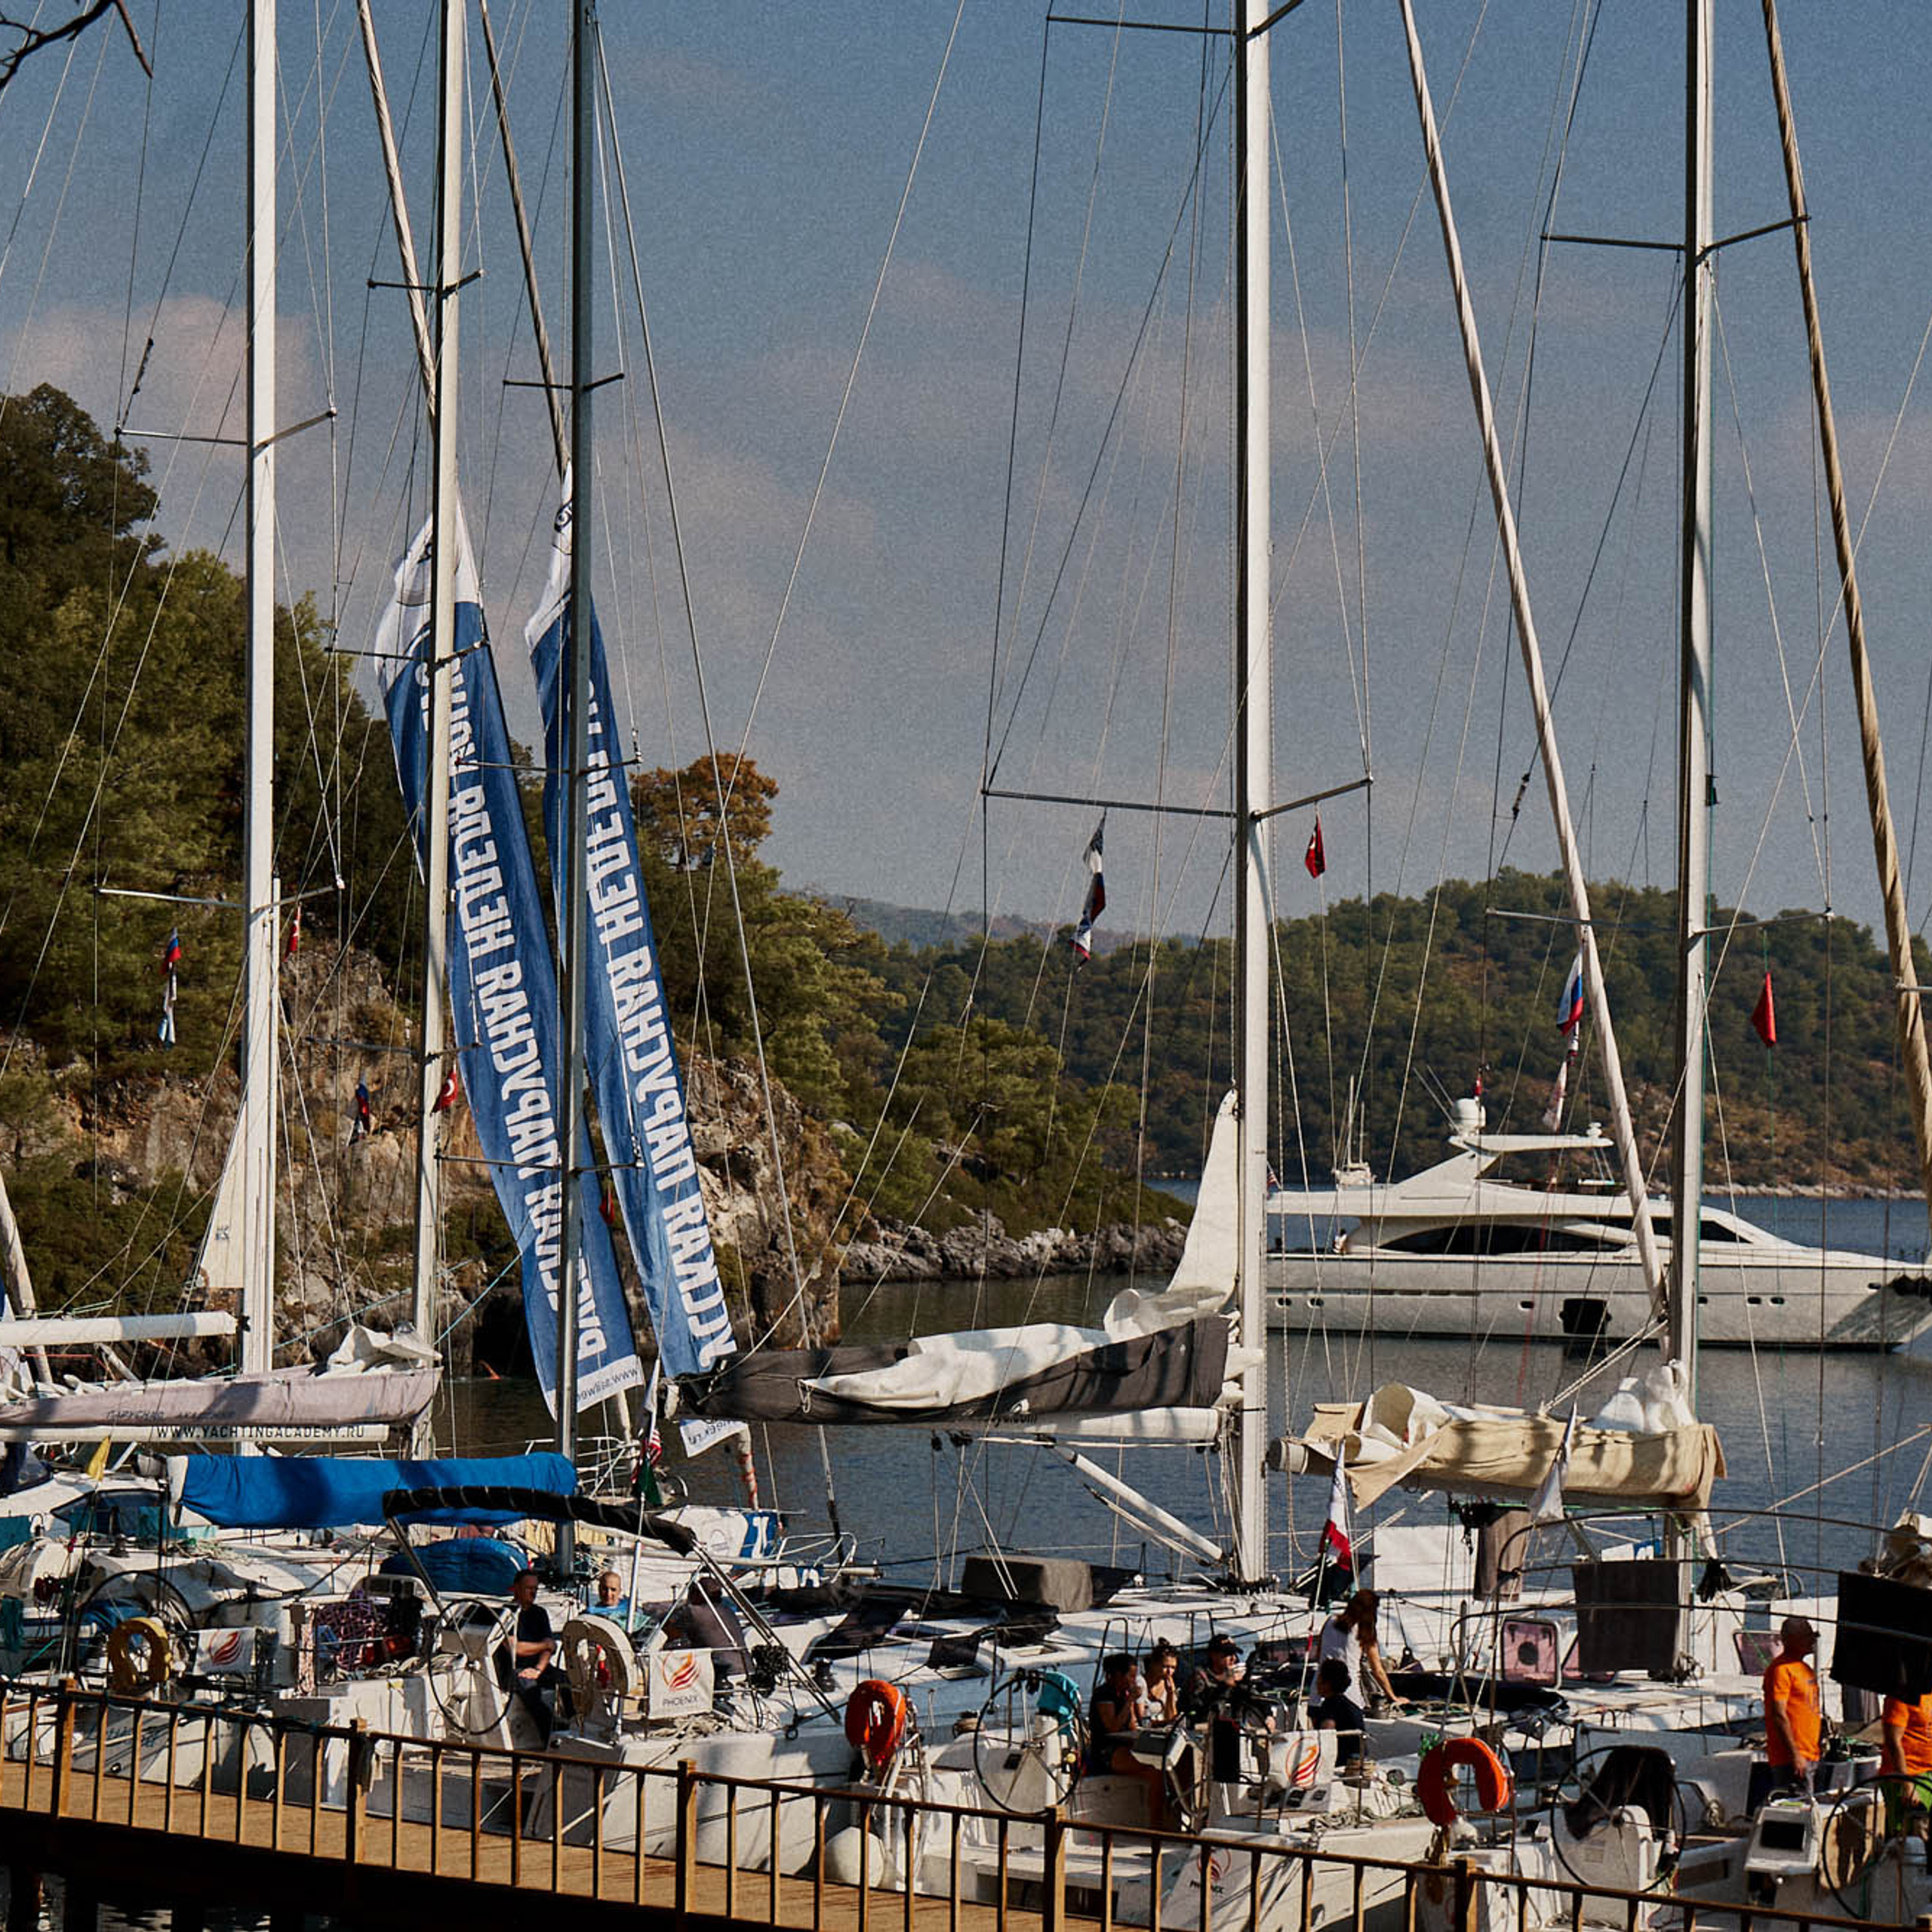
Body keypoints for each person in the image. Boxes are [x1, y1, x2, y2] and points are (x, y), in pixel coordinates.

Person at [498, 1568, 574, 1746]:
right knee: (532, 1692)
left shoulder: (540, 1613)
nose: (533, 1592)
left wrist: (539, 1669)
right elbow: (515, 1648)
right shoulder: (505, 1613)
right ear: (516, 1589)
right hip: (514, 1670)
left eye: (535, 1589)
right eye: (528, 1588)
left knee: (567, 1681)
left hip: (539, 1667)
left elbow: (549, 1648)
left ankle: (575, 1726)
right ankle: (548, 1739)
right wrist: (544, 1646)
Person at [1753, 1616, 1821, 1811]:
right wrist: (1794, 1754)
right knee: (1795, 1811)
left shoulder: (1804, 1669)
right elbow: (1779, 1715)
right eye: (1807, 1637)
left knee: (1806, 1807)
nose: (1812, 1641)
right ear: (1792, 1639)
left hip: (1810, 1754)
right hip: (1792, 1758)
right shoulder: (1781, 1670)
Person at [1318, 1589, 1404, 1711]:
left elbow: (1319, 1654)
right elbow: (1377, 1670)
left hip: (1317, 1695)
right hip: (1348, 1697)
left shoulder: (1330, 1621)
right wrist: (1393, 1697)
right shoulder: (1363, 1631)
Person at [1308, 1655, 1365, 1769]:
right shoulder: (1350, 1704)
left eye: (1319, 1677)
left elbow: (1327, 1734)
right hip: (1359, 1758)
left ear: (1327, 1683)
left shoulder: (1329, 1706)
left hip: (1341, 1763)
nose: (1316, 1682)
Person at [1881, 1687, 1932, 1810]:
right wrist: (1907, 1785)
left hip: (1928, 1772)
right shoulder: (1901, 1696)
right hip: (1909, 1775)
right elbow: (1893, 1741)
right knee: (1914, 1827)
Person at [1143, 1640, 1182, 1725]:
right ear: (1153, 1664)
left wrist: (1170, 1694)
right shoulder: (1141, 1683)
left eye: (1173, 1668)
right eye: (1165, 1667)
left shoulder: (1168, 1684)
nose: (1169, 1672)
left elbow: (1171, 1717)